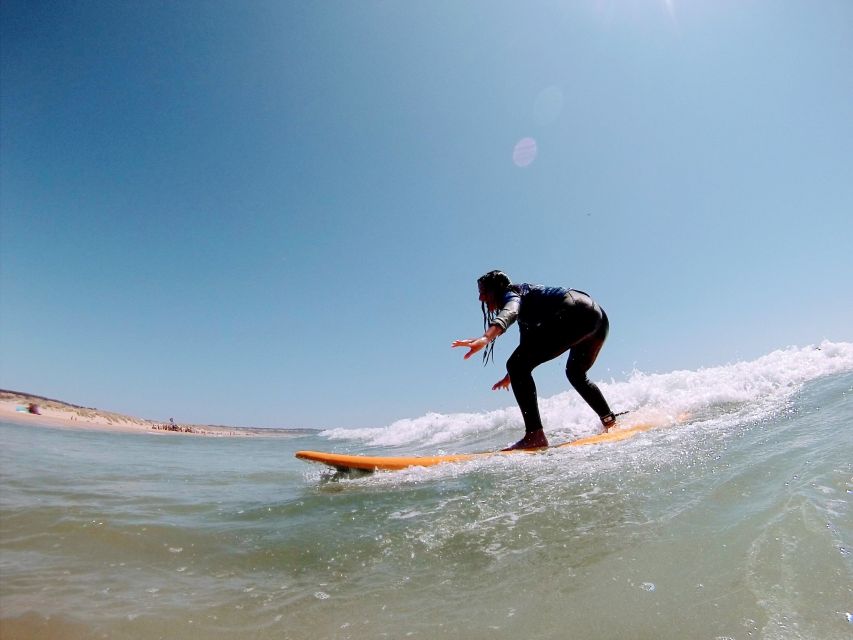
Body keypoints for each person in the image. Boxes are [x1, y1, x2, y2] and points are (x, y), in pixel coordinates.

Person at [452, 270, 617, 450]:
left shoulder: (512, 293)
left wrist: (485, 338)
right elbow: (527, 348)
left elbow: (511, 310)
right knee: (575, 373)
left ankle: (534, 435)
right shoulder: (528, 305)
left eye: (484, 292)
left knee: (517, 364)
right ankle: (609, 421)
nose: (481, 298)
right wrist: (512, 375)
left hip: (574, 311)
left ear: (497, 289)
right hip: (597, 318)